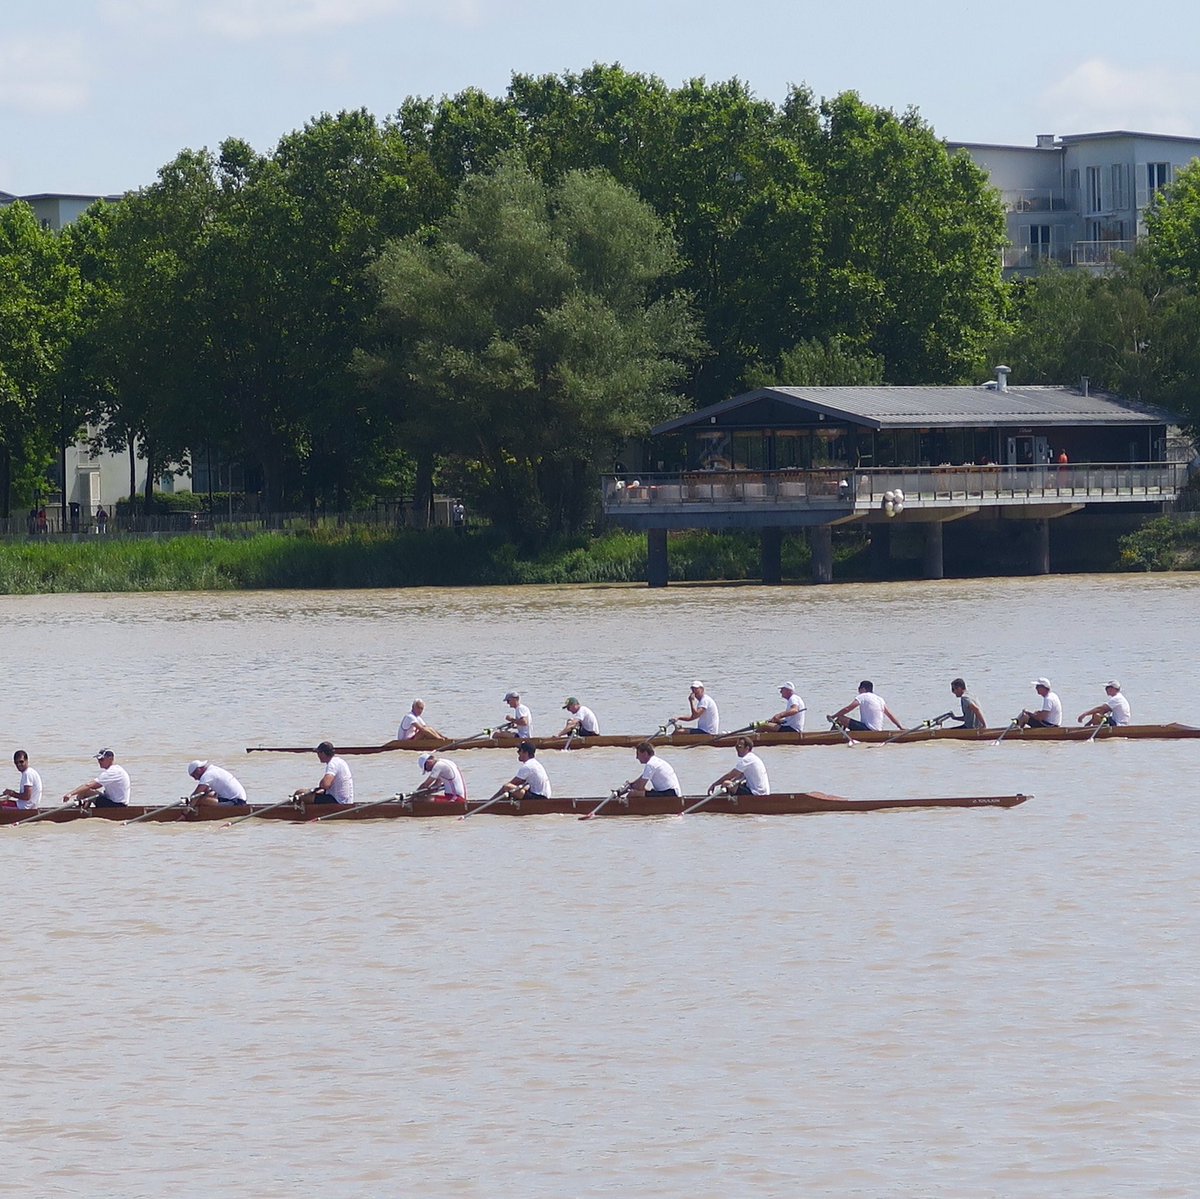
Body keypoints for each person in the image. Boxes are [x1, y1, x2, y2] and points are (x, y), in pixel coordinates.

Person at [63, 748, 131, 808]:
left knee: (86, 790)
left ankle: (78, 811)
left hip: (117, 806)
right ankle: (82, 809)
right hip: (114, 802)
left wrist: (70, 794)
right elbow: (93, 787)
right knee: (87, 791)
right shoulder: (116, 769)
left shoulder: (113, 772)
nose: (99, 761)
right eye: (98, 759)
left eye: (101, 759)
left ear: (110, 759)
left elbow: (89, 785)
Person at [293, 741, 353, 805]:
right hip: (346, 800)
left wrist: (321, 785)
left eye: (318, 753)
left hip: (338, 801)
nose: (318, 755)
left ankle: (291, 811)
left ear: (323, 753)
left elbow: (326, 784)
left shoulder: (332, 764)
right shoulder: (340, 761)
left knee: (299, 793)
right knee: (312, 794)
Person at [830, 681, 902, 732]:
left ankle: (832, 737)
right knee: (844, 720)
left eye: (859, 690)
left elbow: (847, 709)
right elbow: (890, 715)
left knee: (840, 718)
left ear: (863, 689)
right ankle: (840, 734)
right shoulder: (880, 699)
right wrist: (900, 727)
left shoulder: (862, 696)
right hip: (878, 730)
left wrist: (833, 716)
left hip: (868, 729)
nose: (858, 692)